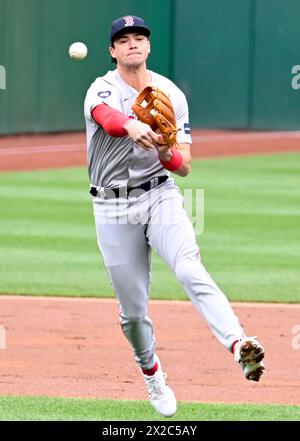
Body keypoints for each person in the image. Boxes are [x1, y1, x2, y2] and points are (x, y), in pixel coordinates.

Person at [84, 15, 265, 418]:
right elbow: (108, 120)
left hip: (160, 196)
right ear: (113, 51)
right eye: (124, 39)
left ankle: (239, 345)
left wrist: (167, 152)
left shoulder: (171, 93)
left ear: (148, 47)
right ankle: (151, 373)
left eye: (140, 38)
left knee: (189, 268)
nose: (133, 44)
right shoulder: (101, 89)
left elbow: (183, 166)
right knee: (133, 314)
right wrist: (130, 125)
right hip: (112, 207)